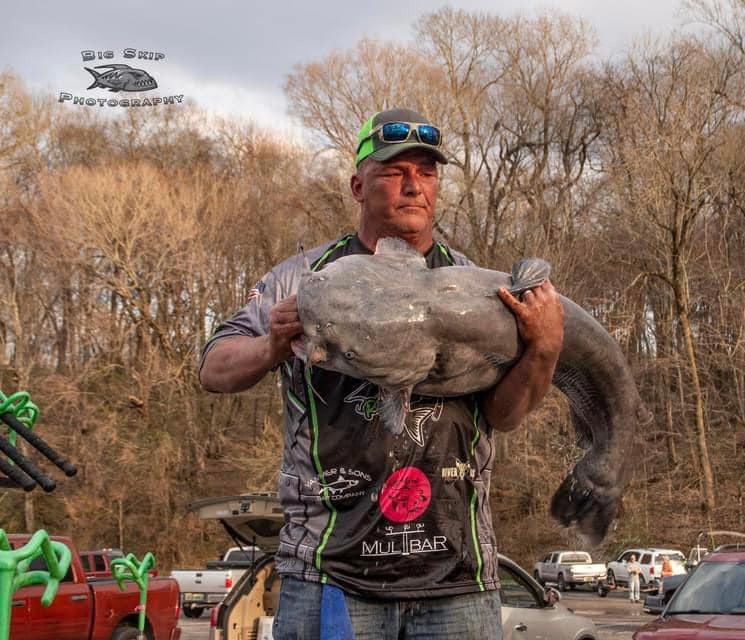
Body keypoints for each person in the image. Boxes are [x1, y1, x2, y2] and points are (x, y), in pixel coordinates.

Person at [199, 107, 565, 640]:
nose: (413, 186)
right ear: (357, 185)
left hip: (456, 576)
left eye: (427, 172)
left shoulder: (473, 285)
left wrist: (543, 350)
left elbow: (503, 417)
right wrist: (275, 344)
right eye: (394, 171)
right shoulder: (301, 277)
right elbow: (214, 367)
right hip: (332, 575)